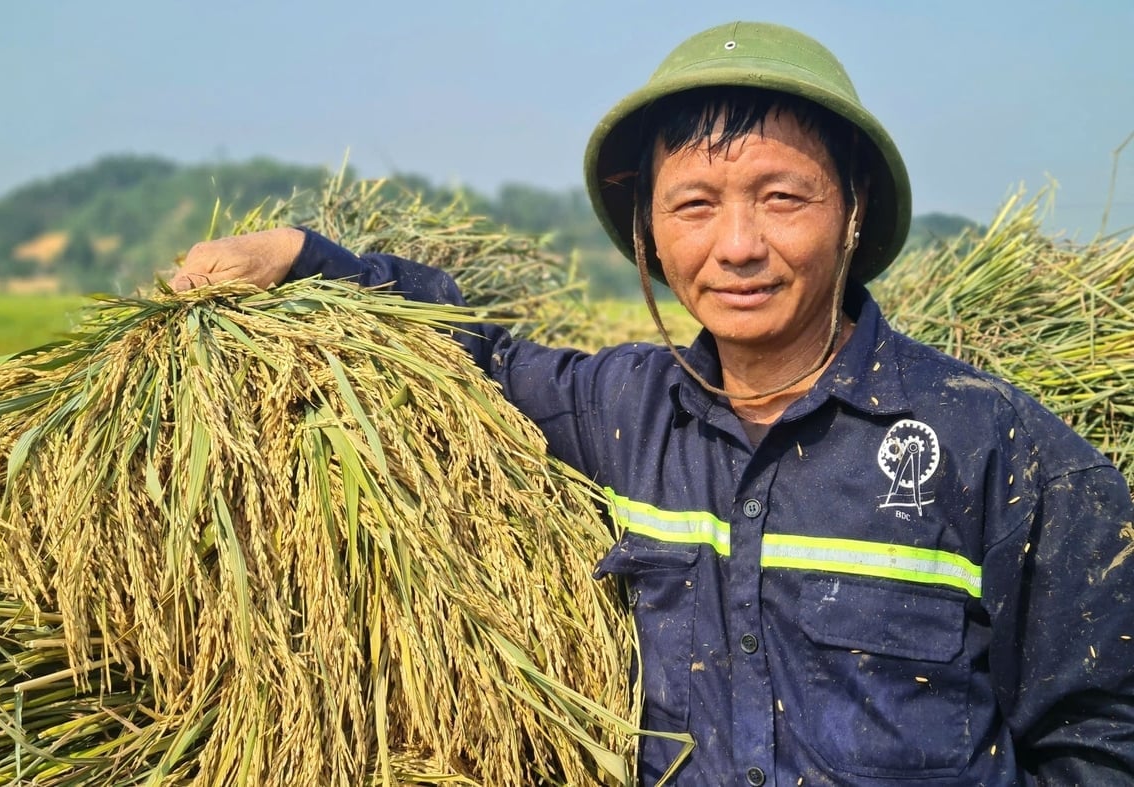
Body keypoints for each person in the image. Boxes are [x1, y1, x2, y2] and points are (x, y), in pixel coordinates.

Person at [172, 21, 1134, 786]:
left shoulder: (999, 448)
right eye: (695, 205)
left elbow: (1103, 733)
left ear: (852, 209)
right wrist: (304, 256)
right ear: (650, 238)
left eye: (783, 197)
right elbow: (462, 353)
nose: (740, 244)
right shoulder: (618, 411)